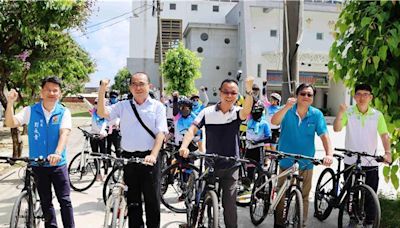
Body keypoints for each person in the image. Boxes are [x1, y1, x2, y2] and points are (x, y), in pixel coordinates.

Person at [180, 76, 254, 228]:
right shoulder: (207, 112)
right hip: (211, 163)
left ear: (237, 95)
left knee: (230, 205)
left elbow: (247, 110)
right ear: (220, 93)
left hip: (231, 165)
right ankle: (199, 219)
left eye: (233, 93)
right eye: (226, 92)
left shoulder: (237, 113)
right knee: (205, 199)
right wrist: (184, 146)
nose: (229, 96)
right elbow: (192, 129)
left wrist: (249, 90)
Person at [97, 72, 167, 228]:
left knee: (152, 201)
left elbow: (161, 133)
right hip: (129, 159)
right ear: (130, 87)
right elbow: (102, 113)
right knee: (133, 201)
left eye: (141, 83)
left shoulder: (158, 107)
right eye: (134, 84)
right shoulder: (123, 105)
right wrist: (102, 90)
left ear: (149, 86)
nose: (138, 87)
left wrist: (153, 155)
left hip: (150, 158)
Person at [5, 76, 75, 228]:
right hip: (38, 165)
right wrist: (10, 102)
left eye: (55, 90)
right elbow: (10, 122)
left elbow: (64, 133)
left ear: (60, 93)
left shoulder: (64, 112)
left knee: (65, 200)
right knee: (45, 202)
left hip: (58, 165)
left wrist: (57, 153)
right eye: (48, 90)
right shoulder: (30, 111)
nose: (51, 93)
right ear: (41, 93)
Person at [271, 83, 333, 228]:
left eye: (309, 95)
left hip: (306, 160)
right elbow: (274, 121)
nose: (306, 97)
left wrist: (329, 154)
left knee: (304, 195)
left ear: (312, 98)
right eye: (303, 94)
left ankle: (301, 223)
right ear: (297, 96)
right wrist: (286, 107)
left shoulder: (316, 114)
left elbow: (325, 136)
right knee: (282, 193)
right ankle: (279, 223)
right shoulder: (288, 110)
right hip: (286, 157)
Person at [333, 83, 391, 226]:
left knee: (371, 194)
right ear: (354, 96)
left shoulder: (377, 115)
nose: (362, 97)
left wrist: (388, 153)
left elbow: (384, 135)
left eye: (366, 94)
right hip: (351, 159)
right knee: (351, 192)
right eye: (359, 94)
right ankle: (352, 217)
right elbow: (337, 128)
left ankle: (369, 220)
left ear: (371, 97)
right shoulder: (349, 112)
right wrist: (340, 113)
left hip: (370, 161)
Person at [245, 99, 271, 182]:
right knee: (249, 168)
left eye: (258, 111)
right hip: (249, 148)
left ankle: (261, 187)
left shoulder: (264, 124)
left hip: (258, 148)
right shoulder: (249, 122)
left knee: (260, 169)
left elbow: (269, 138)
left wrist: (258, 142)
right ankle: (249, 185)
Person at [106, 91, 121, 158]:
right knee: (108, 147)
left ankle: (119, 163)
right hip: (109, 128)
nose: (113, 99)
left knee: (117, 147)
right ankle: (108, 163)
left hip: (117, 129)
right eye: (111, 97)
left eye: (114, 97)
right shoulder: (107, 105)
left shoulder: (120, 105)